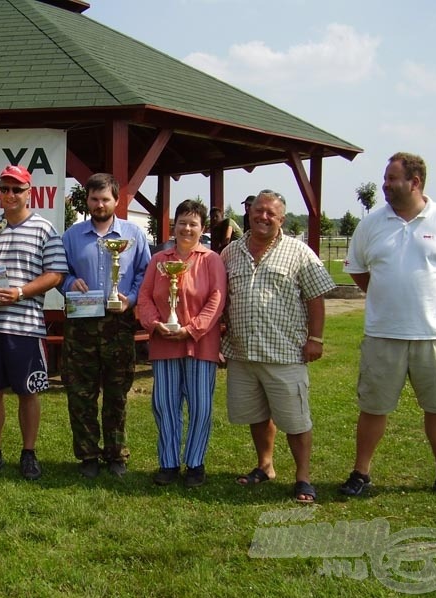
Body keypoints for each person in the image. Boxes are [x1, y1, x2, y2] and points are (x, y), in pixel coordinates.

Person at [339, 152, 436, 502]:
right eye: (385, 178)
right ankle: (361, 473)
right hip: (383, 334)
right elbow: (357, 268)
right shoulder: (371, 224)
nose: (385, 184)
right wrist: (386, 296)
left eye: (391, 178)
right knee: (373, 408)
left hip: (434, 335)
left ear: (414, 182)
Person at [222, 190, 334, 503]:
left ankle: (303, 478)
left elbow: (316, 298)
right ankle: (265, 466)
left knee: (296, 420)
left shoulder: (300, 253)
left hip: (284, 353)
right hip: (243, 353)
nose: (264, 217)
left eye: (271, 213)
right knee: (257, 415)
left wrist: (316, 338)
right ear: (250, 212)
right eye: (259, 210)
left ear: (281, 219)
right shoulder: (230, 253)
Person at [0, 165, 67, 480]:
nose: (10, 195)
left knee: (29, 391)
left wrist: (21, 292)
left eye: (16, 189)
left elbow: (55, 274)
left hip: (26, 326)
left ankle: (28, 453)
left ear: (29, 192)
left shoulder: (44, 229)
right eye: (5, 189)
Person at [60, 173, 150, 478]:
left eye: (105, 199)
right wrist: (71, 282)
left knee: (116, 392)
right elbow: (58, 272)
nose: (100, 204)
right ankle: (87, 455)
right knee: (80, 392)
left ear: (116, 201)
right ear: (87, 201)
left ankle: (116, 454)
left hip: (118, 322)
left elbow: (145, 273)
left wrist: (132, 298)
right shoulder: (71, 236)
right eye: (95, 199)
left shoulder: (134, 235)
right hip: (81, 323)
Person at [137, 199, 226, 487]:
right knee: (164, 404)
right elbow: (145, 297)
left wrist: (192, 329)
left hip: (201, 344)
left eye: (193, 223)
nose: (187, 228)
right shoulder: (159, 260)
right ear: (174, 226)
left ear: (202, 228)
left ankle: (196, 463)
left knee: (200, 406)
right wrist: (154, 324)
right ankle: (169, 463)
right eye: (182, 222)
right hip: (164, 342)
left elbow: (216, 299)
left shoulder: (211, 260)